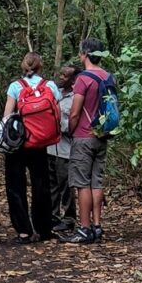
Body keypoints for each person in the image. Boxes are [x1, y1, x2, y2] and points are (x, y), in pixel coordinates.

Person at [0, 52, 61, 242]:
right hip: (40, 142)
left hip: (18, 143)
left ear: (23, 66)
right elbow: (56, 112)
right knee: (42, 185)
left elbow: (7, 116)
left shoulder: (15, 86)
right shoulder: (49, 85)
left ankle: (24, 231)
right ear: (41, 66)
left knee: (15, 185)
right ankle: (43, 229)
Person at [66, 38, 113, 244]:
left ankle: (84, 228)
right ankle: (97, 225)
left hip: (83, 136)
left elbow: (75, 112)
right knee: (96, 181)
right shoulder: (109, 77)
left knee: (82, 183)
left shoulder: (83, 79)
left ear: (85, 54)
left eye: (80, 53)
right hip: (102, 136)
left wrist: (70, 130)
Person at [48, 62, 79, 237]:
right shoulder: (55, 94)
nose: (61, 78)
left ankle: (68, 219)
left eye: (65, 76)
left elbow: (75, 123)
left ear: (73, 80)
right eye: (61, 75)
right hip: (50, 147)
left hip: (66, 149)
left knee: (65, 185)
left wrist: (59, 124)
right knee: (51, 184)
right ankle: (53, 216)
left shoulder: (76, 98)